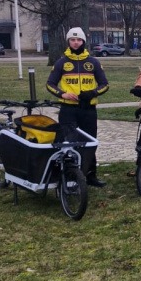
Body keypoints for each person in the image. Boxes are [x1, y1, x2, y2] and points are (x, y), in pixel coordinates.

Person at [46, 27, 109, 187]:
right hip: (68, 110)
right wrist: (63, 94)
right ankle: (69, 176)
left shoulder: (93, 62)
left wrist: (92, 93)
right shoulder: (61, 62)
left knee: (90, 142)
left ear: (83, 41)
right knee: (69, 143)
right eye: (72, 40)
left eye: (79, 39)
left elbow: (105, 85)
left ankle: (91, 175)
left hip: (88, 110)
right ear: (68, 41)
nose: (76, 42)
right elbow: (50, 84)